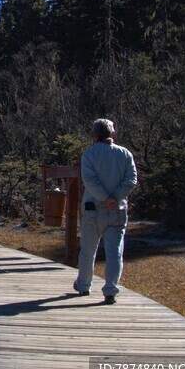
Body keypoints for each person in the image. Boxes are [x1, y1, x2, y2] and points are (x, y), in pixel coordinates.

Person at [73, 118, 137, 305]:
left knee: (88, 250)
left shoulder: (89, 155)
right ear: (112, 134)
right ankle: (110, 290)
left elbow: (90, 180)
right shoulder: (125, 154)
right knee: (115, 251)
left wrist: (104, 198)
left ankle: (84, 286)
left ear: (94, 135)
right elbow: (131, 179)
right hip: (118, 208)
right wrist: (115, 198)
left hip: (93, 208)